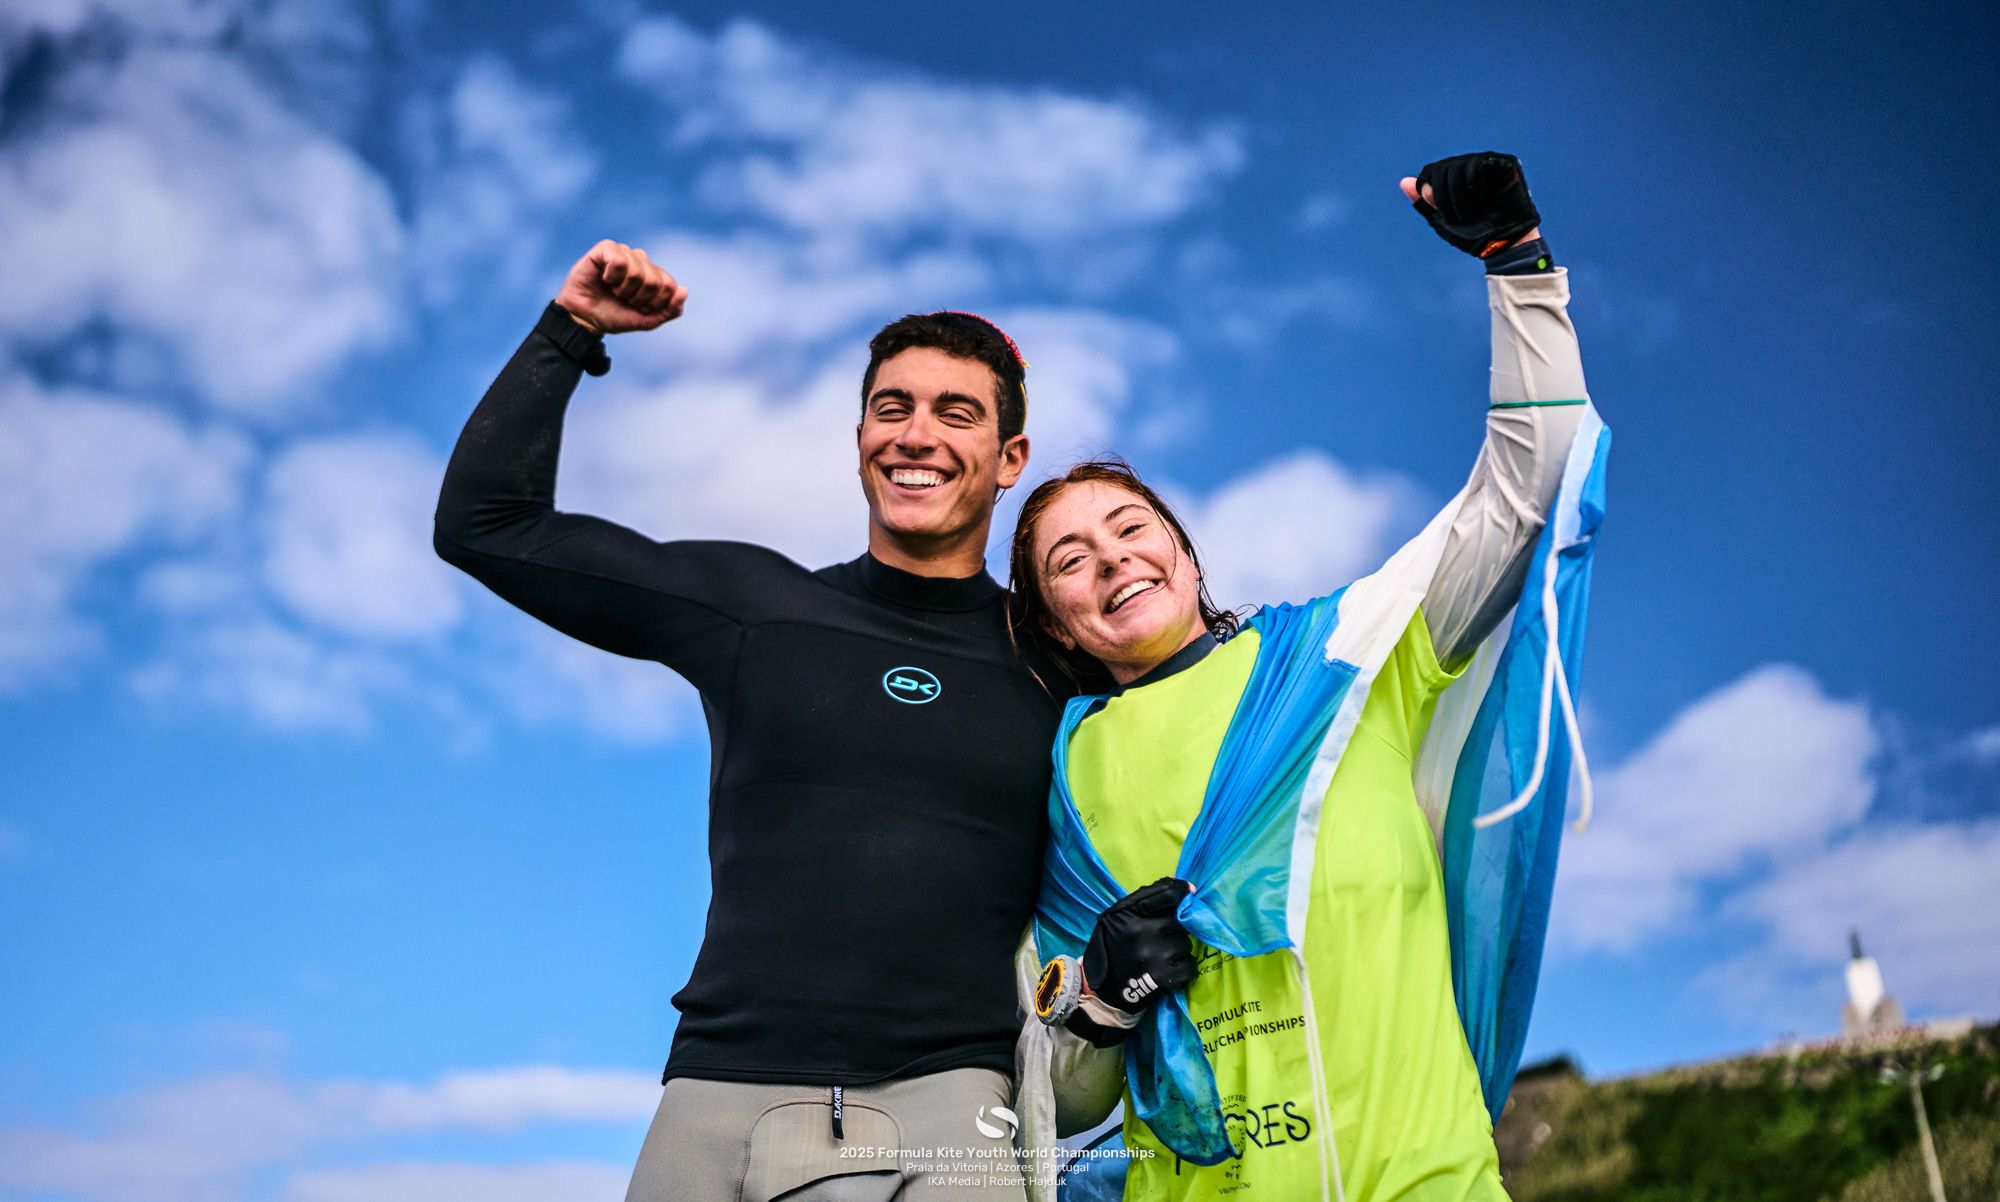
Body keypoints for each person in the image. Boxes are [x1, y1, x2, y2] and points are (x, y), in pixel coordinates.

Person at [1008, 153, 1600, 1201]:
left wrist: (1516, 265)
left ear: (1185, 554)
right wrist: (1098, 998)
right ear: (1058, 625)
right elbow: (1060, 1099)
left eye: (1130, 527)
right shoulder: (1056, 786)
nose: (1108, 558)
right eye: (1067, 560)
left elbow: (1530, 486)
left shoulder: (1349, 656)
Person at [435, 245, 1070, 1200]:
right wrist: (570, 331)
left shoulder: (1061, 664)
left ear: (1010, 458)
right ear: (858, 435)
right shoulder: (755, 609)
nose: (916, 434)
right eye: (891, 408)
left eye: (957, 413)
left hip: (952, 1106)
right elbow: (484, 525)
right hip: (722, 1097)